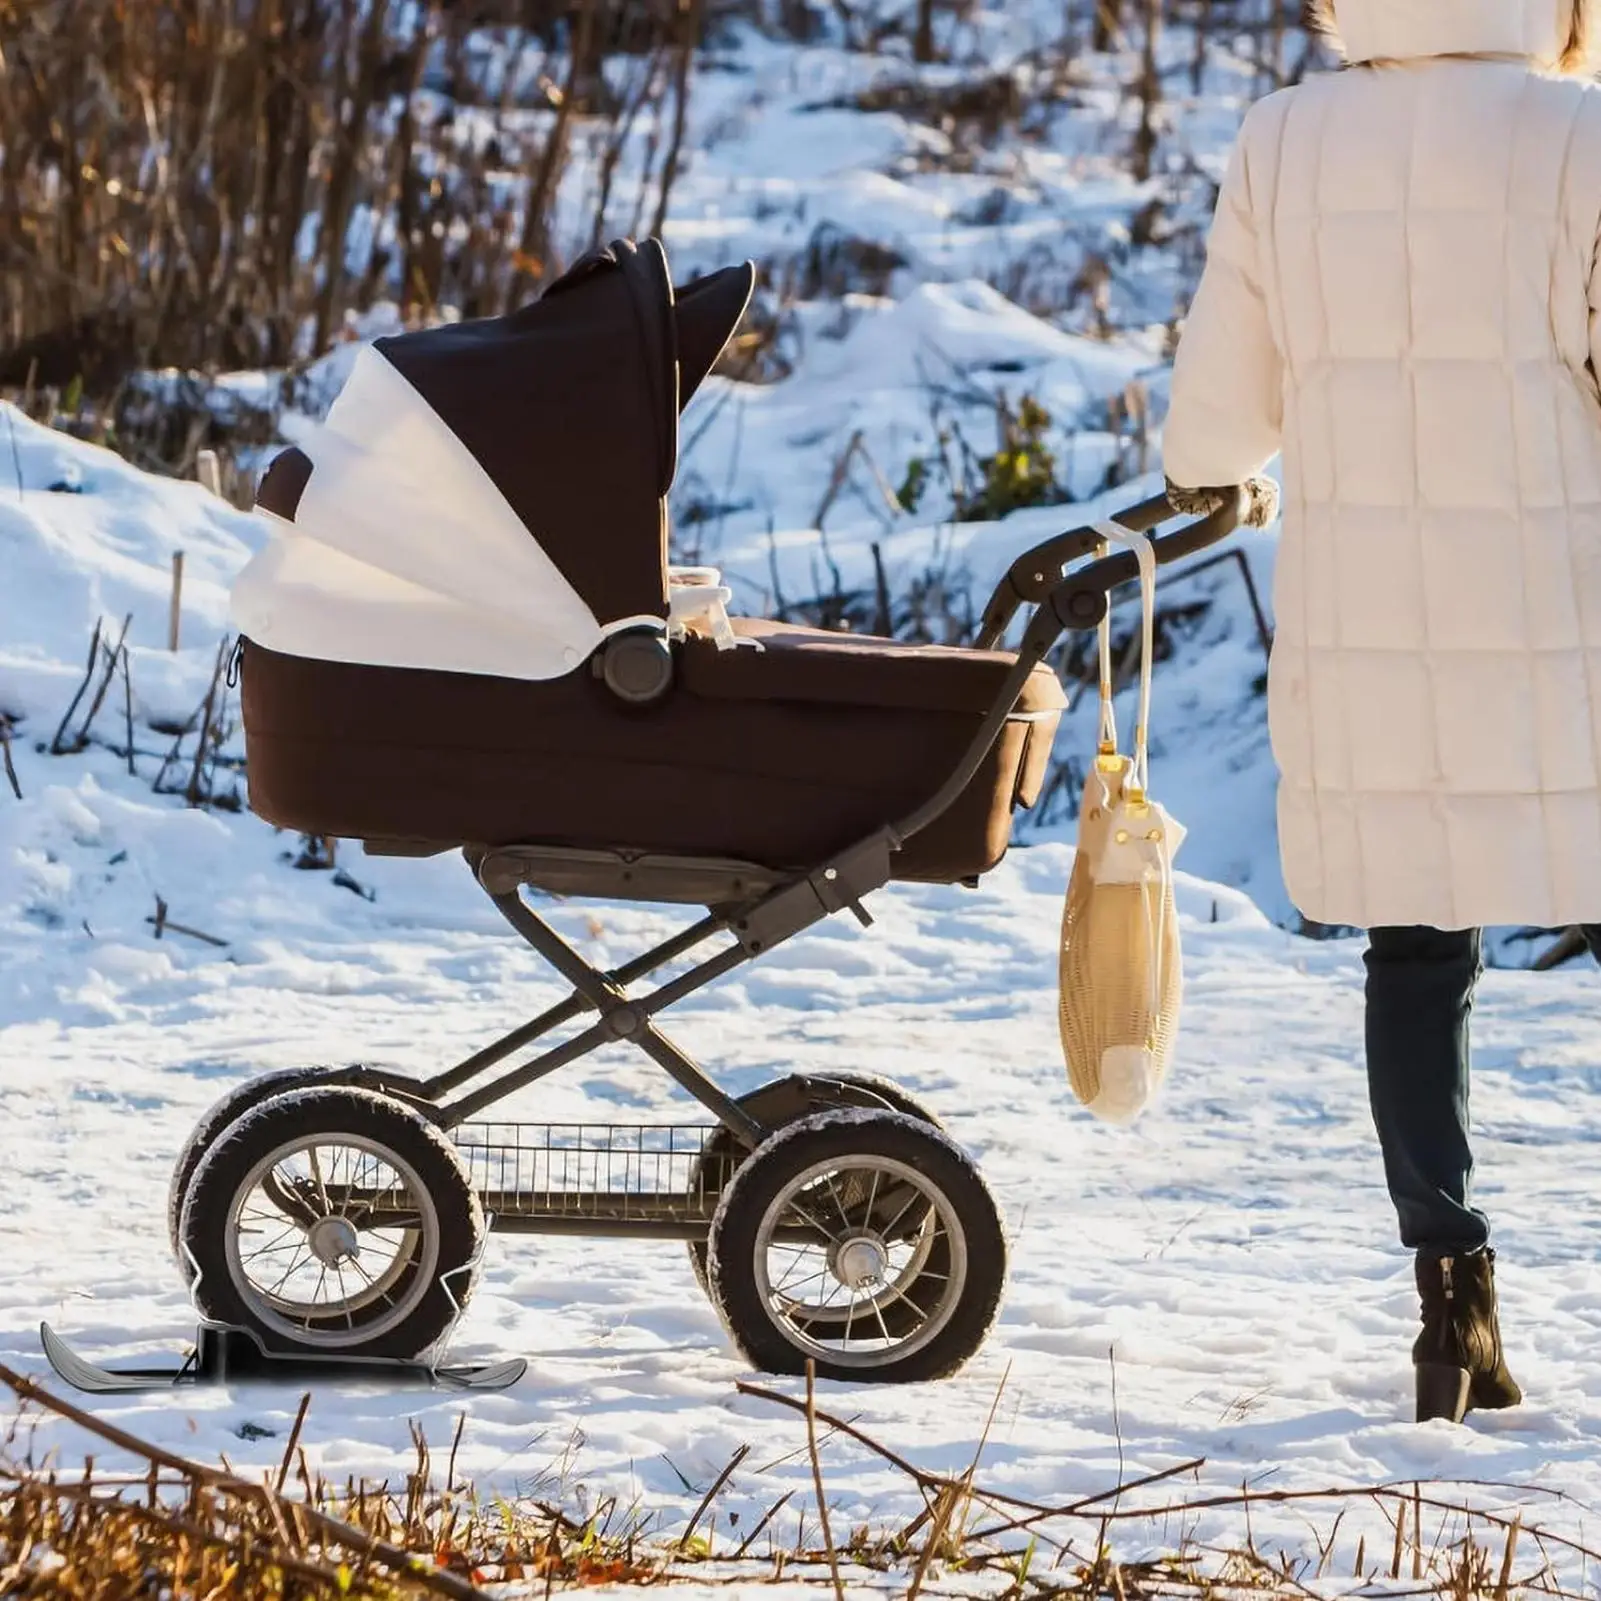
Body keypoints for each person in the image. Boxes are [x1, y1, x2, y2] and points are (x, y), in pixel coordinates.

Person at [1161, 0, 1601, 1424]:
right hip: (1565, 598)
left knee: (1419, 947)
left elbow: (1218, 430)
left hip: (1372, 608)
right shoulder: (1581, 134)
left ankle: (1449, 1299)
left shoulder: (1285, 137)